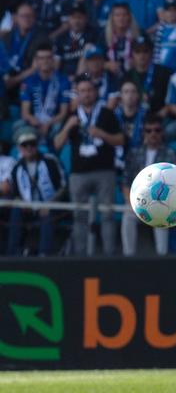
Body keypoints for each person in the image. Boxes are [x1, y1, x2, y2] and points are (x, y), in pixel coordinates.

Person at [53, 74, 124, 256]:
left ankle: (109, 256)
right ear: (77, 94)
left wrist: (102, 134)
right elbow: (57, 144)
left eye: (89, 90)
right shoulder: (72, 116)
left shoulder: (107, 113)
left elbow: (120, 140)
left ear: (96, 92)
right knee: (79, 217)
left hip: (104, 171)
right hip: (78, 173)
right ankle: (81, 257)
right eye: (82, 91)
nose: (86, 94)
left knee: (107, 214)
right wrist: (68, 127)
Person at [121, 113, 176, 255]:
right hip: (138, 201)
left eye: (157, 130)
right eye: (149, 130)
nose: (153, 134)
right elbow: (126, 181)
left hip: (162, 201)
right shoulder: (134, 153)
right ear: (144, 133)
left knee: (161, 216)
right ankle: (128, 258)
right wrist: (131, 202)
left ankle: (162, 258)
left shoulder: (170, 153)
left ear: (162, 132)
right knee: (127, 216)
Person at [7, 128, 66, 256]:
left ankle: (44, 254)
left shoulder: (50, 161)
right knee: (16, 211)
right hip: (28, 208)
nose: (29, 147)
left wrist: (50, 204)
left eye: (32, 144)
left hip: (51, 205)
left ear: (37, 145)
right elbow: (15, 194)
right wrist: (22, 204)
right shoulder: (16, 168)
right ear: (19, 148)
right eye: (25, 145)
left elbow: (63, 187)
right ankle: (14, 253)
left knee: (48, 214)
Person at [19, 44, 71, 148]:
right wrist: (36, 122)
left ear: (53, 60)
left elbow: (63, 113)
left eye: (48, 58)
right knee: (19, 126)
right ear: (36, 61)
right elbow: (25, 113)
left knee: (61, 128)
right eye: (41, 58)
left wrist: (48, 124)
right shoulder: (28, 81)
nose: (45, 61)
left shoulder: (63, 81)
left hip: (54, 123)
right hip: (34, 123)